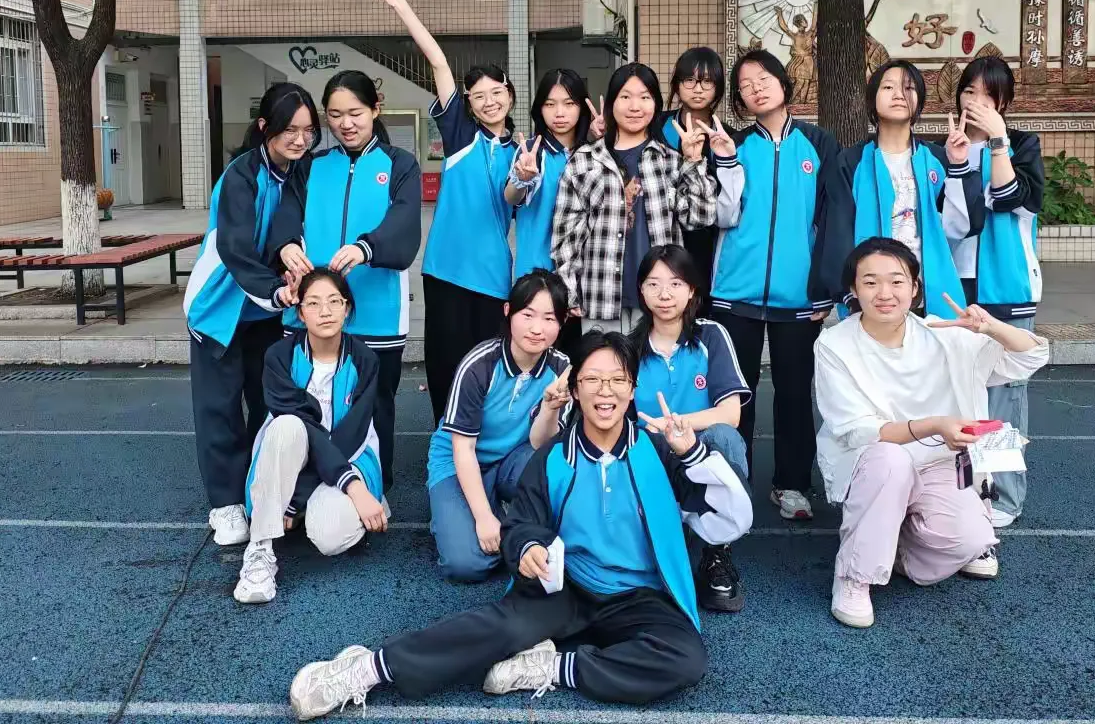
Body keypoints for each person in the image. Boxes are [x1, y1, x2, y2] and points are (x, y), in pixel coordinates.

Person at [288, 331, 753, 720]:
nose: (605, 391)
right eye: (592, 379)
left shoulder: (663, 453)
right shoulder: (553, 458)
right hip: (569, 589)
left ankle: (555, 668)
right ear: (575, 390)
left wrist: (694, 455)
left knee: (687, 659)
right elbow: (522, 524)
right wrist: (529, 548)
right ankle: (369, 668)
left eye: (617, 380)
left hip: (640, 596)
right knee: (497, 627)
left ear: (632, 390)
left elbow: (732, 520)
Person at [815, 237, 1048, 629]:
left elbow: (1031, 356)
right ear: (853, 290)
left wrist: (992, 327)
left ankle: (898, 549)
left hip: (939, 463)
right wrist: (935, 425)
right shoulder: (835, 344)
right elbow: (859, 431)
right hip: (875, 464)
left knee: (972, 539)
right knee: (890, 459)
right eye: (870, 282)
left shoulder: (944, 333)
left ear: (914, 288)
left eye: (896, 281)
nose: (884, 293)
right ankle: (855, 574)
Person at [375, 0, 519, 423]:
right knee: (445, 365)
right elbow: (438, 62)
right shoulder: (460, 136)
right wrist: (401, 6)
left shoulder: (524, 151)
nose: (490, 102)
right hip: (444, 270)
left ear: (510, 95)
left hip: (493, 276)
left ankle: (483, 441)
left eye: (497, 92)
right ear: (469, 105)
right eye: (479, 96)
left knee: (489, 365)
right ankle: (445, 442)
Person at [184, 82, 317, 546]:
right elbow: (236, 250)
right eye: (289, 130)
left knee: (268, 403)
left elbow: (292, 222)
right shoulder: (240, 176)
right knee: (219, 408)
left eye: (308, 130)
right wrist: (277, 292)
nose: (300, 140)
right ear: (265, 127)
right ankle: (224, 505)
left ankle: (259, 491)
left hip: (264, 313)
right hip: (219, 308)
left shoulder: (299, 172)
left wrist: (290, 259)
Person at [712, 48, 841, 522]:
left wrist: (825, 286)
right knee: (735, 395)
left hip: (798, 296)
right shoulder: (733, 145)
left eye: (764, 78)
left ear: (784, 84)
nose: (756, 88)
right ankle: (733, 480)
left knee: (794, 393)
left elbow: (831, 219)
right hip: (734, 293)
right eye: (745, 85)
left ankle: (791, 484)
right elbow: (719, 214)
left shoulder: (818, 144)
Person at [283, 69, 421, 492]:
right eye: (335, 114)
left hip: (378, 315)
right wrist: (286, 246)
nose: (345, 123)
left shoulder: (399, 164)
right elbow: (287, 215)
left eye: (355, 113)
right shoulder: (310, 166)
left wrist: (365, 248)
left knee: (375, 406)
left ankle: (375, 488)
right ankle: (305, 490)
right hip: (312, 312)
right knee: (308, 401)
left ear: (375, 109)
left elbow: (404, 226)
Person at [235, 268, 388, 604]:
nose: (325, 311)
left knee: (329, 536)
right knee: (287, 425)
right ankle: (260, 550)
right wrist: (342, 489)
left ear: (347, 308)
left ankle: (312, 506)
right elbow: (302, 428)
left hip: (348, 458)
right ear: (300, 312)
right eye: (314, 303)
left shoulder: (365, 360)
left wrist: (306, 496)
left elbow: (351, 435)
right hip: (289, 458)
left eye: (334, 301)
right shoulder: (279, 357)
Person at [940, 56, 1045, 528]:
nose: (976, 101)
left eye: (988, 94)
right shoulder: (944, 148)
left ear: (1004, 102)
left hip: (1006, 285)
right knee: (957, 389)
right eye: (969, 92)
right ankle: (962, 489)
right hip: (954, 285)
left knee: (1003, 395)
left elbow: (1009, 198)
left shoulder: (1022, 145)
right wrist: (957, 159)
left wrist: (998, 140)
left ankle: (1003, 496)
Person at [552, 62, 723, 335]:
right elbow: (566, 236)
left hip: (662, 300)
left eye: (644, 97)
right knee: (604, 363)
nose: (635, 107)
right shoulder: (584, 161)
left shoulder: (670, 161)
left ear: (655, 104)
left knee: (656, 363)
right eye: (625, 97)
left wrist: (694, 161)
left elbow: (700, 217)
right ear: (612, 103)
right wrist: (569, 291)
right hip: (601, 295)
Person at [625, 244, 751, 612]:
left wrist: (676, 425)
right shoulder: (629, 348)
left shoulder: (711, 336)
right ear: (641, 290)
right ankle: (663, 536)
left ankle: (717, 552)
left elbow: (730, 414)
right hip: (651, 452)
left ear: (692, 289)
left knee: (725, 437)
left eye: (675, 284)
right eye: (653, 284)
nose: (664, 294)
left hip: (700, 449)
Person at [427, 269, 571, 582]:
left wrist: (549, 409)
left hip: (512, 460)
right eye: (527, 315)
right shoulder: (480, 364)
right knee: (466, 565)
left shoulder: (561, 369)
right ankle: (467, 512)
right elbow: (462, 448)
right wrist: (483, 518)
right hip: (459, 461)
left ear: (562, 323)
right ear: (508, 311)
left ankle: (500, 511)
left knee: (557, 468)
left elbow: (540, 445)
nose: (537, 328)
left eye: (549, 318)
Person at [814, 60, 979, 321]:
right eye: (888, 87)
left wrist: (959, 165)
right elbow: (837, 232)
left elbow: (964, 226)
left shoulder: (938, 159)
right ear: (872, 99)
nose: (899, 94)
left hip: (929, 294)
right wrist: (848, 293)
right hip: (872, 298)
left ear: (919, 101)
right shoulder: (851, 162)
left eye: (908, 88)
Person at [506, 68, 595, 355]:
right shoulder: (533, 152)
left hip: (584, 281)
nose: (559, 113)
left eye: (569, 103)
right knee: (537, 359)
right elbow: (511, 196)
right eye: (550, 104)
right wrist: (522, 178)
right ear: (539, 109)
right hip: (538, 279)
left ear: (581, 107)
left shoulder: (594, 153)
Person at [659, 47, 729, 284]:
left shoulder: (729, 139)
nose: (698, 89)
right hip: (660, 241)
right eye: (689, 80)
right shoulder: (656, 127)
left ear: (718, 87)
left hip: (707, 248)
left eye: (707, 82)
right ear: (677, 85)